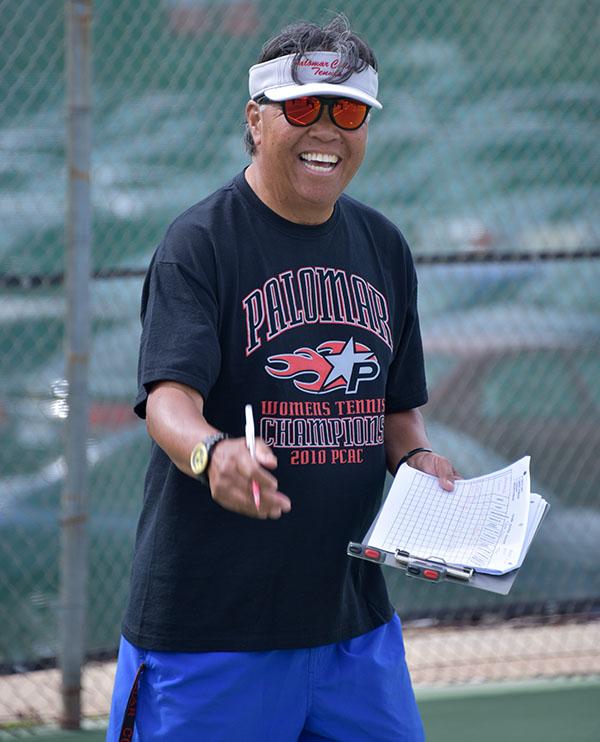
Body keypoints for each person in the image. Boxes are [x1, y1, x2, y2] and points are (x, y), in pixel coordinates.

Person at [107, 14, 458, 742]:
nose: (328, 129)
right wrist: (213, 456)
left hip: (352, 632)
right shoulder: (199, 244)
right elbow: (169, 400)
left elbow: (398, 414)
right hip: (212, 637)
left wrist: (418, 462)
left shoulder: (384, 246)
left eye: (350, 111)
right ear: (256, 120)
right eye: (303, 108)